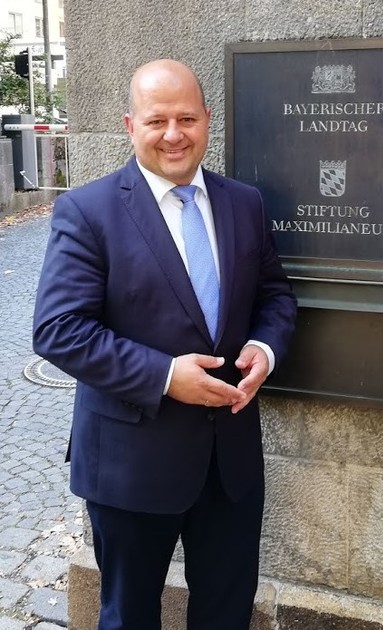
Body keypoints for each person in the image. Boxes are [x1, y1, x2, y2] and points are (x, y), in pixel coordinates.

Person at [33, 59, 296, 630]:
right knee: (129, 617)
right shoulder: (89, 210)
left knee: (226, 614)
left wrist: (265, 347)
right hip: (130, 464)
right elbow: (58, 328)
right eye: (157, 121)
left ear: (207, 120)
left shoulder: (244, 203)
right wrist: (165, 376)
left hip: (229, 464)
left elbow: (275, 296)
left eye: (186, 119)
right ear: (131, 126)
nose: (174, 134)